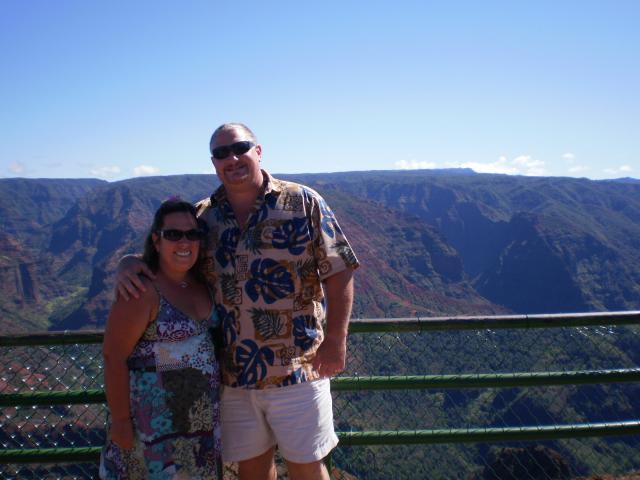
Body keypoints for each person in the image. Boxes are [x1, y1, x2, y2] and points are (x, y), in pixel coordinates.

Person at [116, 123, 359, 480]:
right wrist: (128, 263)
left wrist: (336, 339)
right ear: (214, 163)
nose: (231, 158)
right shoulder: (204, 217)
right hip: (232, 376)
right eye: (221, 153)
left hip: (300, 369)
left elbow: (339, 268)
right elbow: (172, 256)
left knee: (307, 467)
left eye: (239, 148)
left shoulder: (302, 202)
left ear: (258, 151)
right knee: (252, 470)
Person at [101, 200, 222, 479]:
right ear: (156, 241)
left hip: (201, 427)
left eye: (192, 234)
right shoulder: (141, 290)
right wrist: (121, 421)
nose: (184, 242)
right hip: (153, 428)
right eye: (173, 234)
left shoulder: (203, 283)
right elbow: (113, 356)